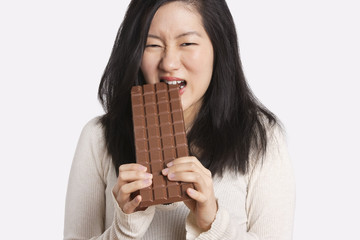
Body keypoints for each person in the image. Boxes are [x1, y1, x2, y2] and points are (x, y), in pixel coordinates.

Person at [64, 0, 295, 239]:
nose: (169, 63)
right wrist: (124, 227)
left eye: (187, 43)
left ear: (219, 47)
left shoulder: (262, 139)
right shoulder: (98, 137)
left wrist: (213, 223)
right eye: (152, 45)